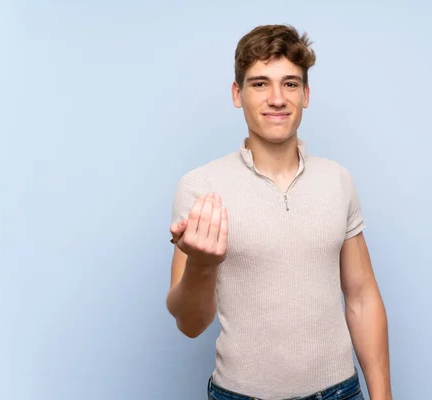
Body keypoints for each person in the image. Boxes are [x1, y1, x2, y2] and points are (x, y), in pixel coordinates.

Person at [167, 24, 393, 400]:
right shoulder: (201, 186)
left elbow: (362, 296)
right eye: (259, 84)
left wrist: (383, 397)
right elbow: (189, 324)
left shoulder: (337, 180)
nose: (276, 98)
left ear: (306, 94)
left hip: (339, 393)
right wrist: (202, 266)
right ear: (237, 94)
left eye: (289, 84)